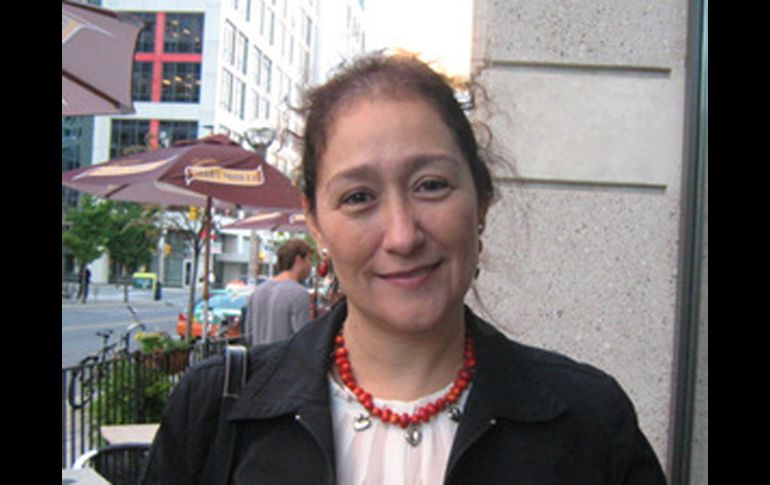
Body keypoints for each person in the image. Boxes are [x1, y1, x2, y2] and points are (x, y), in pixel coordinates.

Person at [142, 52, 667, 484]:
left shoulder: (589, 421)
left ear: (481, 201)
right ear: (316, 224)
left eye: (431, 185)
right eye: (358, 197)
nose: (402, 235)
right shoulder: (215, 410)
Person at [245, 239, 313, 346]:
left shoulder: (257, 292)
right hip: (286, 356)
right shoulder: (299, 294)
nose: (310, 266)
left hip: (259, 354)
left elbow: (249, 335)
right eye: (309, 260)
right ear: (299, 260)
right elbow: (303, 340)